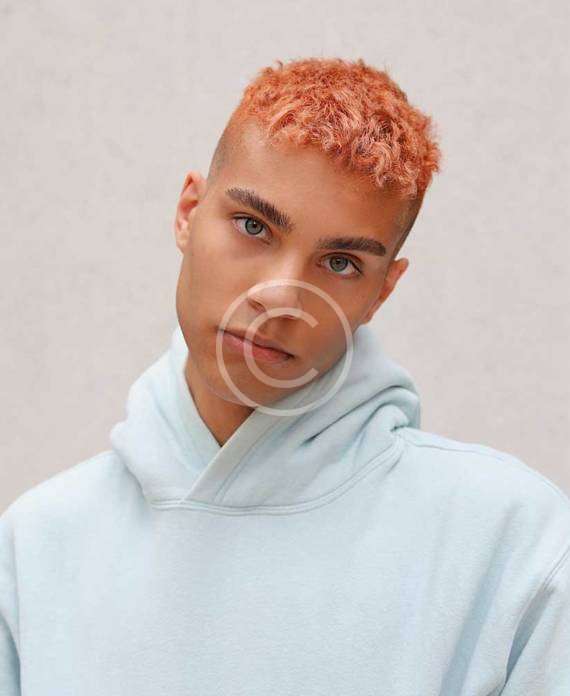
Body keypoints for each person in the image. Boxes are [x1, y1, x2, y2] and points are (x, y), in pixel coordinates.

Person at [1, 57, 569, 695]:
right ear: (188, 212)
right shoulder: (36, 545)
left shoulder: (512, 542)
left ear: (382, 291)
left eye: (341, 262)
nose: (280, 297)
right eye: (254, 226)